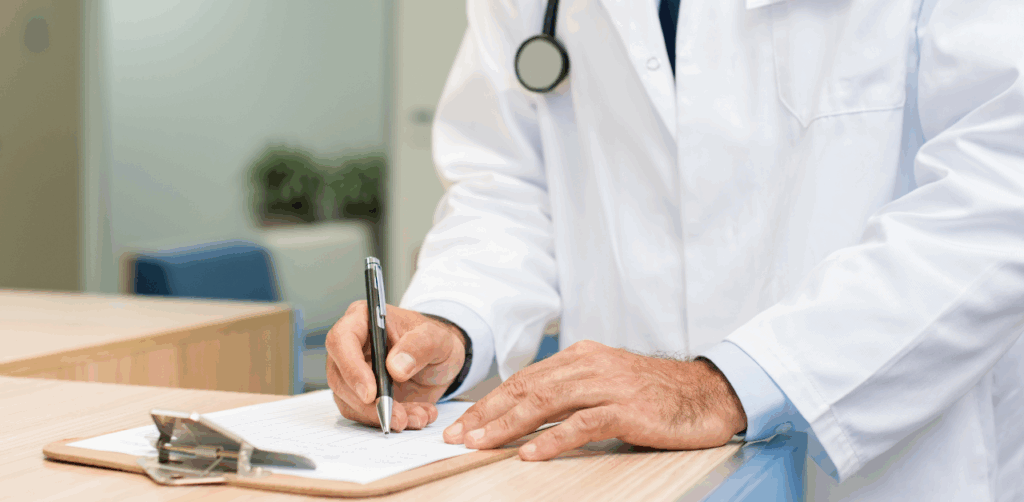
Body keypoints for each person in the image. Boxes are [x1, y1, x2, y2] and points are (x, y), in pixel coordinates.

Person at [326, 0, 1024, 500]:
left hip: (891, 457)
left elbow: (999, 192)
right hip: (624, 473)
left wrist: (726, 382)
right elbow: (506, 182)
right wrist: (453, 322)